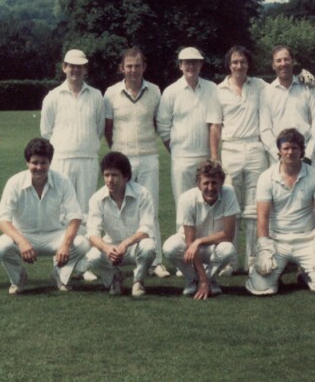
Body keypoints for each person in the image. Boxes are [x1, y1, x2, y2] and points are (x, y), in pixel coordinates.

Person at [245, 129, 315, 296]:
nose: (290, 152)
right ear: (279, 151)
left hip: (307, 239)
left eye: (294, 148)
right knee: (261, 286)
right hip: (278, 240)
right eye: (286, 148)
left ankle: (307, 275)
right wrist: (264, 248)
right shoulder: (266, 177)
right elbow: (262, 217)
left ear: (302, 151)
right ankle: (276, 275)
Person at [0, 138, 89, 294]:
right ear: (27, 163)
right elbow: (3, 220)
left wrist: (65, 244)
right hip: (23, 234)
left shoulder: (62, 181)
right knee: (0, 248)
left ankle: (59, 274)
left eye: (43, 163)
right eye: (34, 162)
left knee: (82, 244)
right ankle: (18, 278)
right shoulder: (14, 182)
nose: (39, 167)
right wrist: (22, 241)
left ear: (50, 163)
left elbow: (75, 216)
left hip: (54, 235)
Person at [103, 46, 169, 278]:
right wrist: (119, 154)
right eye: (129, 66)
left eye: (137, 66)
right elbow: (108, 130)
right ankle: (117, 255)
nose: (133, 70)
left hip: (149, 156)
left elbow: (159, 125)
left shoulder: (155, 91)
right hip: (122, 161)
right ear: (122, 68)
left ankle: (155, 261)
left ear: (144, 67)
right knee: (119, 209)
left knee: (150, 209)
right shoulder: (110, 93)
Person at [215, 45, 269, 274]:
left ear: (249, 64)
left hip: (256, 148)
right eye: (235, 62)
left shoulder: (260, 86)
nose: (239, 66)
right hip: (231, 149)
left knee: (254, 208)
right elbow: (215, 127)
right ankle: (230, 259)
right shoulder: (219, 90)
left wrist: (305, 78)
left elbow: (283, 85)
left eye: (243, 62)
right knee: (230, 206)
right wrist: (215, 157)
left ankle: (252, 258)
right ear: (229, 65)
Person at [40, 48, 105, 224]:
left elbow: (99, 129)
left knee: (86, 211)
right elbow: (46, 131)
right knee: (61, 211)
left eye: (80, 66)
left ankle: (84, 251)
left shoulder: (96, 96)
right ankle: (61, 250)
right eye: (71, 66)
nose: (75, 70)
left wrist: (85, 145)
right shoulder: (53, 97)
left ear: (85, 69)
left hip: (88, 160)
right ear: (64, 67)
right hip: (61, 160)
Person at [83, 152, 157, 297]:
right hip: (111, 247)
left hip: (135, 245)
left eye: (115, 175)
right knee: (92, 256)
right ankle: (114, 278)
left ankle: (139, 280)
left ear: (126, 176)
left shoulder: (142, 194)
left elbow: (146, 229)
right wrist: (106, 248)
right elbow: (92, 234)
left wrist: (125, 244)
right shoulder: (97, 198)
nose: (110, 180)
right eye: (106, 175)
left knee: (149, 246)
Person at [163, 160, 240, 299]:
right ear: (198, 184)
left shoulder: (229, 193)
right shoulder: (186, 199)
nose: (210, 188)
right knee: (170, 247)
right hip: (189, 245)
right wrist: (202, 278)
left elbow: (229, 235)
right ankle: (193, 279)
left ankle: (209, 279)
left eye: (214, 183)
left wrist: (199, 241)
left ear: (221, 183)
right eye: (206, 183)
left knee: (228, 249)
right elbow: (189, 241)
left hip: (213, 245)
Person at [157, 47, 221, 210]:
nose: (191, 66)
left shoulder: (212, 88)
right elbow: (163, 126)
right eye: (187, 63)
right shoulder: (171, 91)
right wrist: (176, 150)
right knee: (183, 205)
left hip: (205, 157)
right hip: (181, 159)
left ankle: (205, 237)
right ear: (180, 65)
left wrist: (213, 157)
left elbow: (215, 122)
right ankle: (184, 236)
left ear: (200, 65)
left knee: (207, 204)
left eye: (195, 62)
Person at [259, 46, 315, 166]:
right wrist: (279, 155)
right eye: (278, 61)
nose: (283, 63)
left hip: (306, 156)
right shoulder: (266, 93)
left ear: (292, 61)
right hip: (278, 158)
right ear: (273, 65)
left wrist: (308, 155)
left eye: (286, 59)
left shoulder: (308, 87)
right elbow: (265, 129)